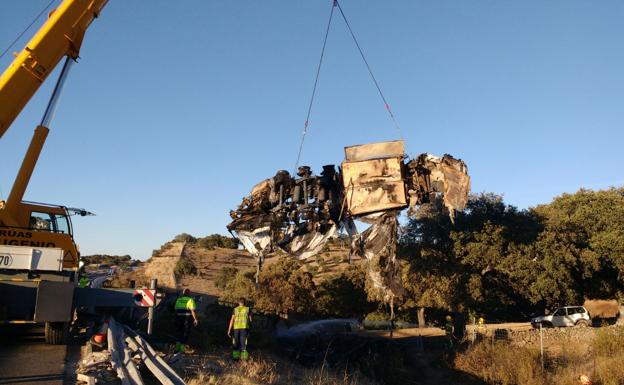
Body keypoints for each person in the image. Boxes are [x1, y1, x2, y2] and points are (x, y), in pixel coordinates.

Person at [174, 288, 198, 353]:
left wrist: (176, 319)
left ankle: (177, 348)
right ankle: (181, 349)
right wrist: (195, 319)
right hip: (187, 319)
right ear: (188, 293)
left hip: (179, 318)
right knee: (185, 333)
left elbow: (176, 310)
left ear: (183, 293)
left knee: (179, 333)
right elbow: (192, 310)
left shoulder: (179, 300)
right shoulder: (190, 300)